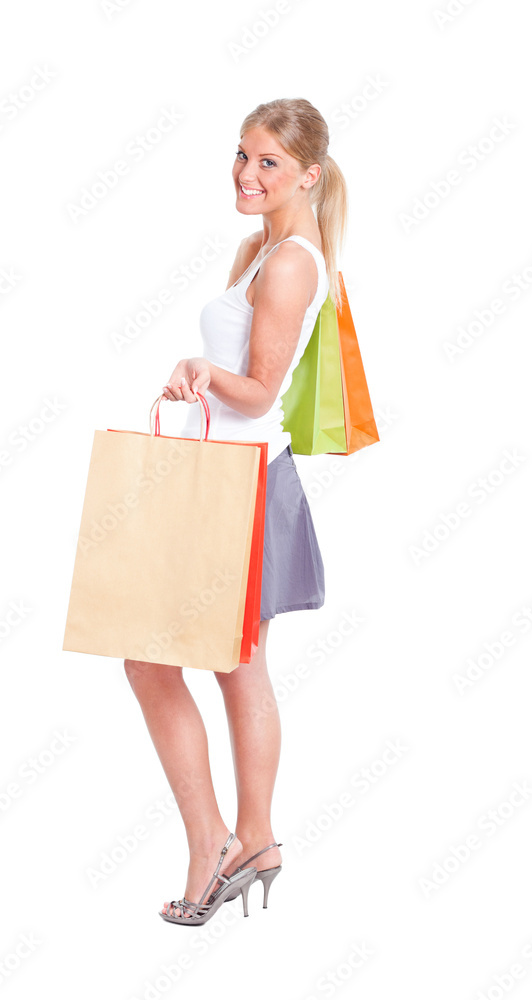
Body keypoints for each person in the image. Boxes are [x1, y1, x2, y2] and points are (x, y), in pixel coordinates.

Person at [123, 97, 348, 924]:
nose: (247, 174)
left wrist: (198, 369)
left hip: (241, 480)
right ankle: (246, 838)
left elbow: (256, 393)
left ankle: (220, 840)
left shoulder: (289, 261)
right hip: (218, 475)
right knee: (223, 663)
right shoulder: (260, 249)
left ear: (308, 175)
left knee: (177, 661)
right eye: (243, 155)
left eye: (268, 164)